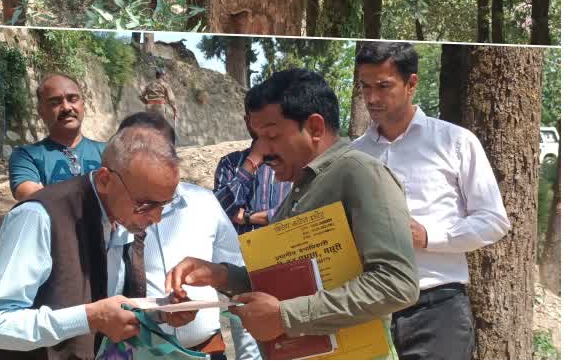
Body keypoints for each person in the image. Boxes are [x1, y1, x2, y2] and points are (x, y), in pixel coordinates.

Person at [163, 69, 419, 349]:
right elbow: (287, 282)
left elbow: (397, 284)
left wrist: (286, 317)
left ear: (315, 128)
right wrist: (221, 275)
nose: (262, 148)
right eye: (258, 137)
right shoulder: (302, 186)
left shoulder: (361, 174)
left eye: (272, 136)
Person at [0, 121, 187, 359]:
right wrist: (89, 318)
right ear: (106, 180)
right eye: (146, 204)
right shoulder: (38, 217)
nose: (157, 218)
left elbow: (109, 302)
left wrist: (161, 309)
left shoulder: (127, 219)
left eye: (164, 204)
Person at [351, 42, 509, 360]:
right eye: (365, 87)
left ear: (411, 84)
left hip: (437, 308)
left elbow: (493, 221)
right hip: (367, 308)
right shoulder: (354, 154)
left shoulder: (455, 142)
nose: (372, 98)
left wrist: (427, 236)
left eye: (383, 86)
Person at [115, 113, 260, 360]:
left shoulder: (204, 203)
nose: (149, 159)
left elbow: (238, 281)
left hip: (206, 352)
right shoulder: (106, 217)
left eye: (159, 151)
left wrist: (249, 357)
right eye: (137, 150)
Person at [8, 74, 106, 201]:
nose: (66, 107)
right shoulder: (26, 156)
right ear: (41, 112)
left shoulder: (108, 151)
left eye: (73, 99)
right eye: (55, 102)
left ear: (83, 105)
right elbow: (31, 196)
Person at [213, 86, 291, 235]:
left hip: (289, 253)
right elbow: (219, 211)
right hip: (241, 256)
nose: (265, 129)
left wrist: (249, 217)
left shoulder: (295, 163)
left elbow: (302, 212)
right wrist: (250, 165)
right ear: (247, 121)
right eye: (258, 121)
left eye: (271, 121)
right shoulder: (229, 164)